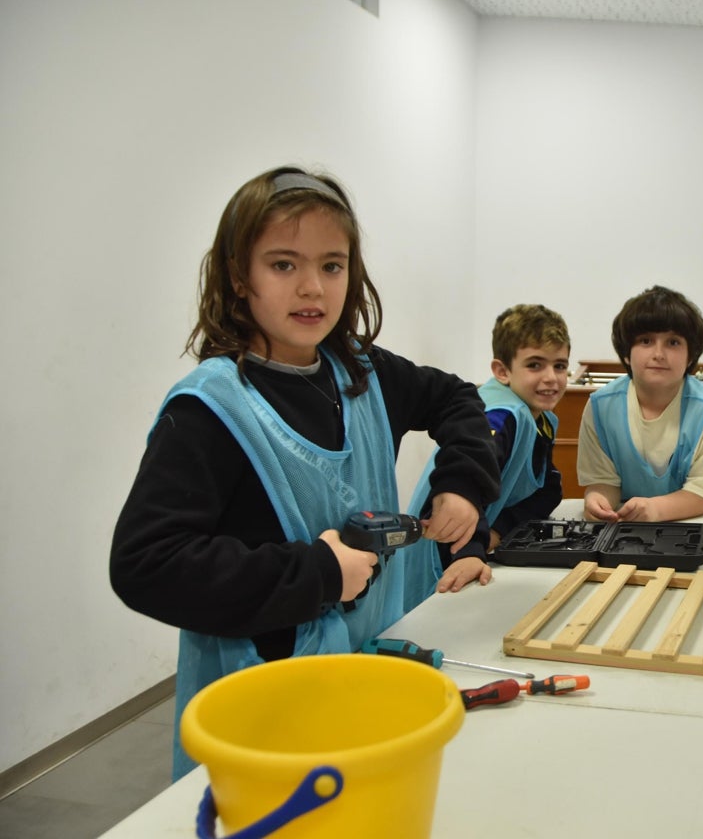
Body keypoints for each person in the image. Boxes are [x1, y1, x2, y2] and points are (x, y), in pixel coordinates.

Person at [109, 166, 500, 779]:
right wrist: (318, 573)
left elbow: (458, 398)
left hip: (366, 683)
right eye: (284, 265)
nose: (312, 288)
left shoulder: (363, 373)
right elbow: (146, 566)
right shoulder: (208, 411)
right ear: (239, 278)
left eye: (332, 265)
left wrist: (464, 482)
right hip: (265, 716)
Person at [405, 304, 570, 602]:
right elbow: (468, 486)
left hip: (477, 538)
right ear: (502, 371)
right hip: (446, 550)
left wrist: (498, 530)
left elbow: (545, 490)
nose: (551, 377)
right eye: (535, 365)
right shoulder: (499, 415)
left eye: (559, 365)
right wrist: (469, 553)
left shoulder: (541, 418)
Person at [577, 285, 703, 522]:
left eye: (673, 342)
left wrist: (654, 509)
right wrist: (598, 501)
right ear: (626, 353)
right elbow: (604, 481)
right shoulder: (600, 408)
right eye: (645, 341)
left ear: (691, 355)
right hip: (633, 526)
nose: (658, 353)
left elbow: (700, 496)